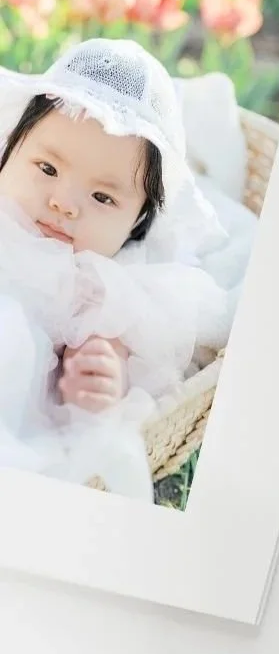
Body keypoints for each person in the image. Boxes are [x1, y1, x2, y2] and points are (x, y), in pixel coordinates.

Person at [0, 38, 233, 498]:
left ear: (137, 223)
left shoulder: (99, 280)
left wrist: (100, 376)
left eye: (102, 198)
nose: (64, 203)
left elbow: (107, 340)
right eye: (47, 168)